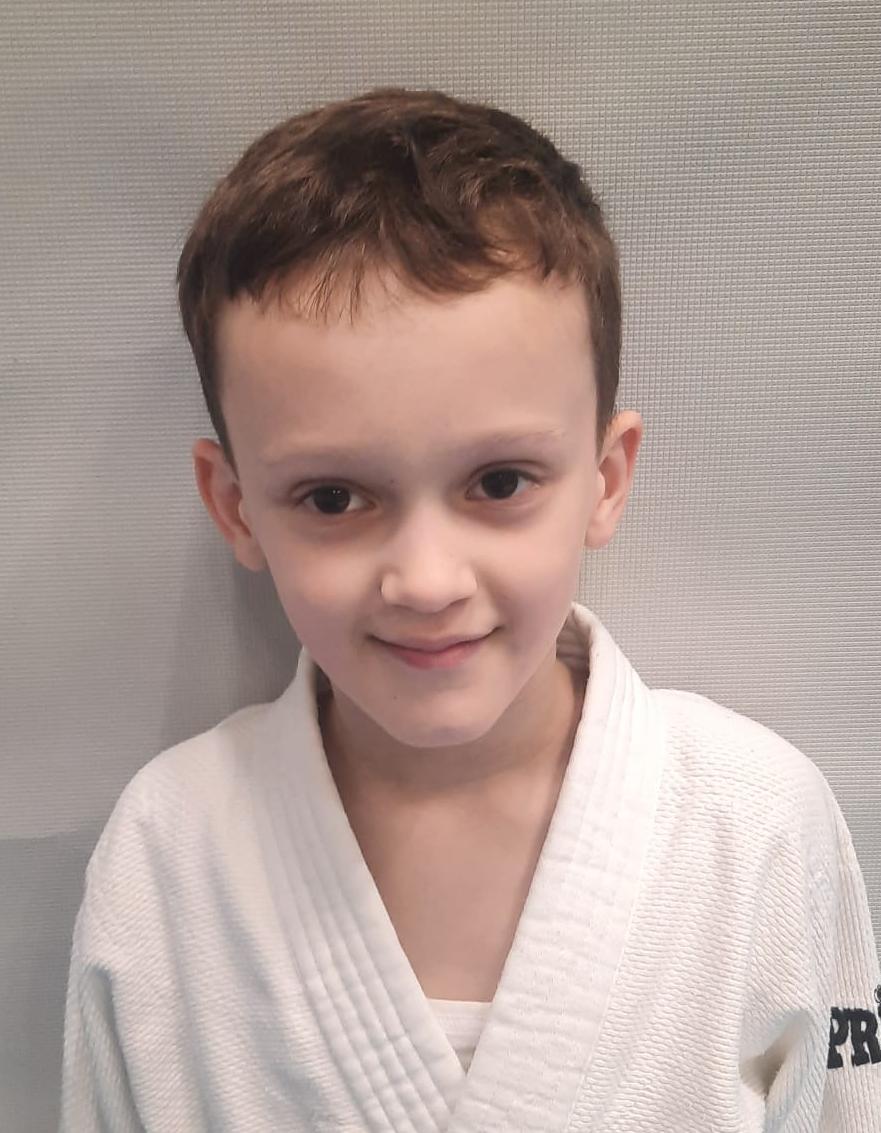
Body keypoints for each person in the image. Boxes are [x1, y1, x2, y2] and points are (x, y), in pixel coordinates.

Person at [58, 86, 881, 1131]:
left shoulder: (757, 824)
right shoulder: (168, 852)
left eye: (497, 483)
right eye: (332, 498)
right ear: (235, 506)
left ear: (605, 479)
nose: (426, 579)